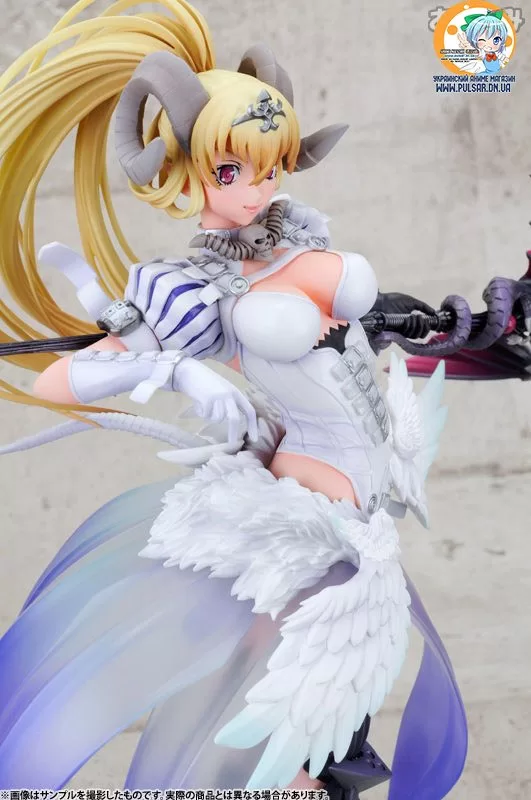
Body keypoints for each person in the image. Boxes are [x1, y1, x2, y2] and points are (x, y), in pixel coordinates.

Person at [0, 1, 467, 796]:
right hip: (301, 521)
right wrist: (179, 370)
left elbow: (369, 327)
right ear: (181, 174)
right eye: (229, 171)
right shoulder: (188, 293)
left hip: (366, 509)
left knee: (326, 706)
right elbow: (57, 381)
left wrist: (469, 323)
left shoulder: (301, 241)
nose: (255, 189)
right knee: (288, 715)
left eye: (270, 165)